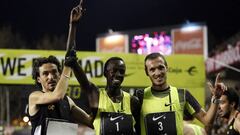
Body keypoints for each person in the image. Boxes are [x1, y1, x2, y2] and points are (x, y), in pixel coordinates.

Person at [28, 5, 92, 135]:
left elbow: (91, 122)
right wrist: (68, 66)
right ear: (38, 78)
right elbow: (57, 95)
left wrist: (73, 26)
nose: (51, 77)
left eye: (54, 72)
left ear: (59, 75)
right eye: (45, 74)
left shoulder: (68, 102)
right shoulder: (35, 97)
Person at [136, 52, 226, 135]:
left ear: (167, 68)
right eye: (152, 69)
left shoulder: (182, 94)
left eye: (161, 67)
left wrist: (216, 98)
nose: (158, 73)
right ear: (147, 72)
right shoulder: (140, 96)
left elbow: (207, 121)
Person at [70, 56, 140, 135]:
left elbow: (139, 130)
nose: (118, 74)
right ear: (105, 73)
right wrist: (74, 64)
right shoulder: (97, 96)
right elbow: (84, 82)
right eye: (114, 71)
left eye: (122, 71)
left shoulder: (133, 101)